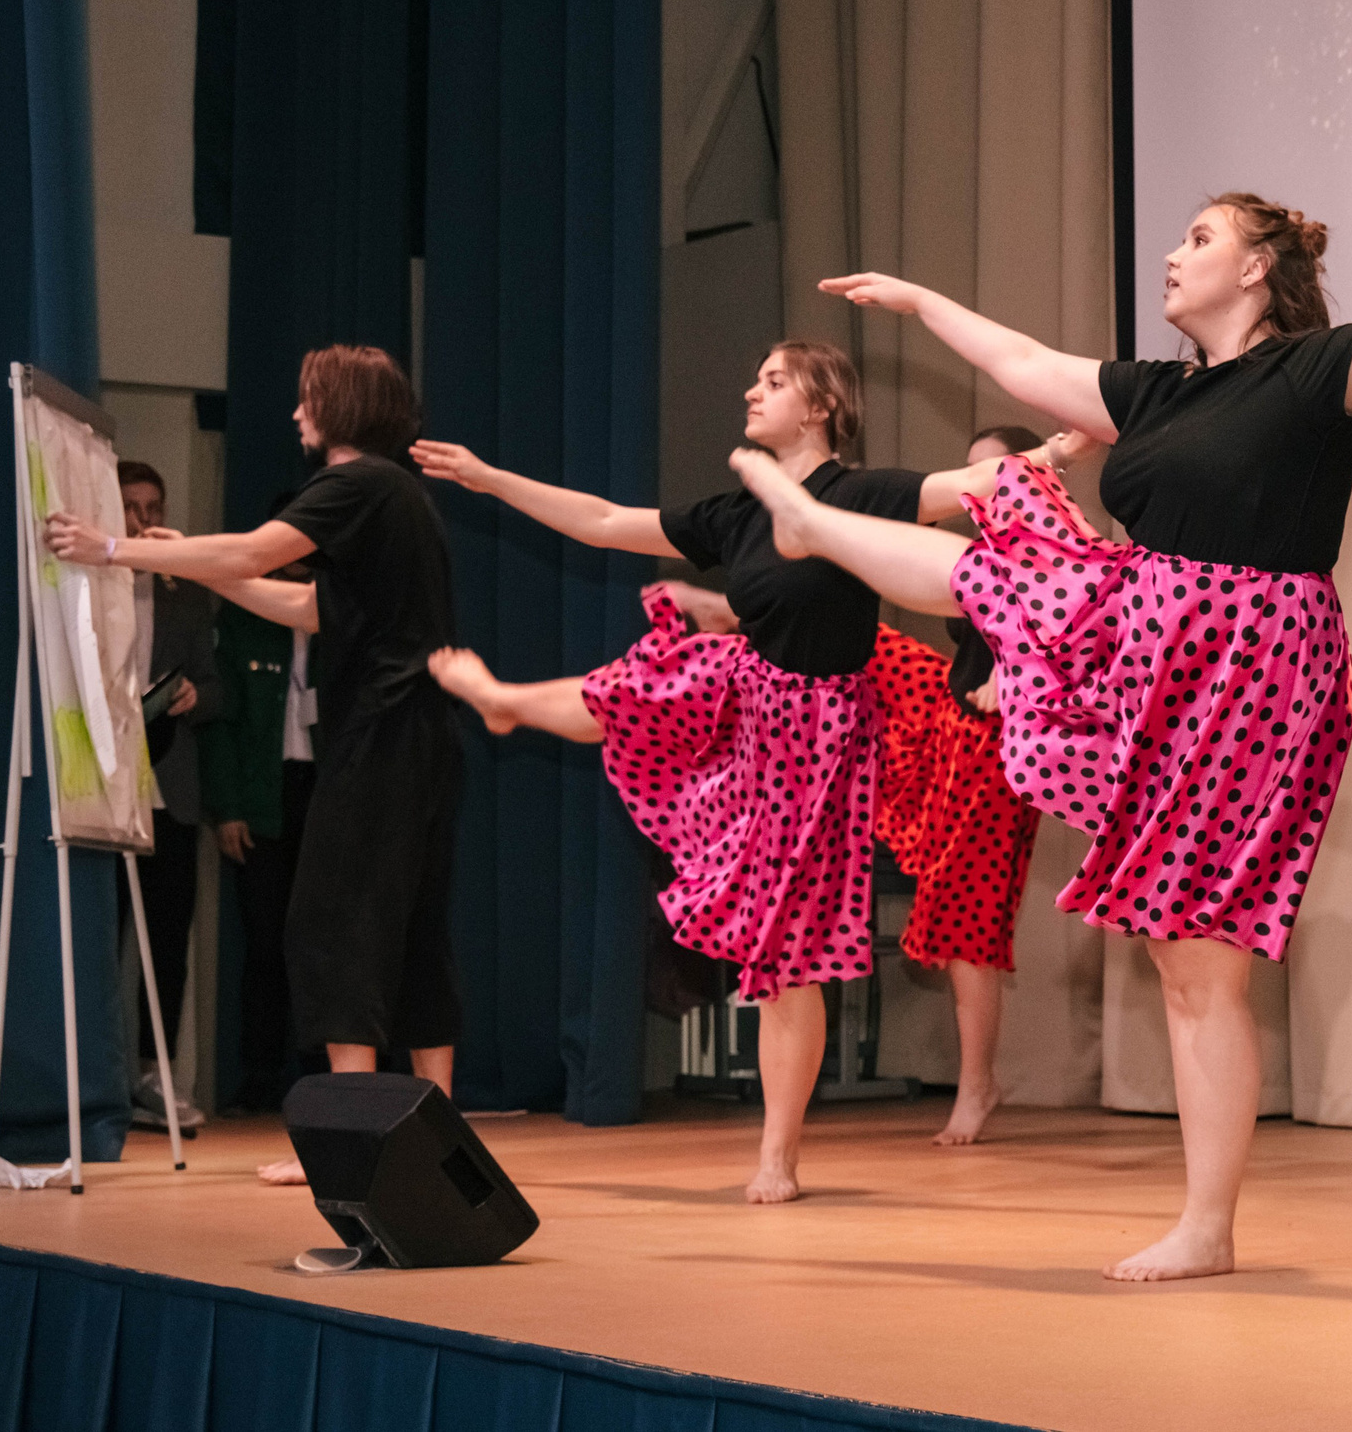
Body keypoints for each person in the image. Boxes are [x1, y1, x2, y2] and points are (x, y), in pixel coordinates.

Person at [724, 95, 1352, 1280]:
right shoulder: (1161, 395)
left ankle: (1208, 1226)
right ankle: (815, 523)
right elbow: (1023, 362)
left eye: (1197, 237)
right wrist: (921, 303)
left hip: (1252, 659)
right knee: (1001, 567)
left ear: (1258, 265)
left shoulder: (1313, 372)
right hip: (1145, 628)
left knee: (1199, 953)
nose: (1172, 255)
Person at [414, 341, 1079, 1205]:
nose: (749, 391)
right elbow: (609, 521)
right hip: (747, 709)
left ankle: (778, 1154)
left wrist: (1059, 450)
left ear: (820, 406)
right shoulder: (737, 512)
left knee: (784, 961)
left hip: (821, 741)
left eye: (771, 381)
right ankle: (508, 703)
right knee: (644, 685)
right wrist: (492, 479)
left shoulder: (860, 494)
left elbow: (974, 484)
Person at [47, 345, 465, 1187]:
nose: (296, 415)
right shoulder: (392, 495)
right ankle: (439, 1133)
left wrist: (116, 550)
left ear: (337, 407)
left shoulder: (353, 484)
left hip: (379, 743)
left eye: (307, 399)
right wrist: (194, 559)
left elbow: (250, 555)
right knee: (412, 933)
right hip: (420, 742)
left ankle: (358, 1140)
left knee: (335, 928)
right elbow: (313, 606)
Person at [873, 425, 1065, 1147]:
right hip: (954, 727)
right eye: (972, 475)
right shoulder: (976, 556)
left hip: (1004, 748)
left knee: (963, 922)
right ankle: (737, 628)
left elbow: (1077, 649)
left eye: (995, 475)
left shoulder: (1052, 559)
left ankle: (977, 1083)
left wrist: (1013, 682)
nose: (979, 489)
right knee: (851, 650)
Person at [196, 490, 322, 1112]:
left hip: (324, 796)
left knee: (323, 939)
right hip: (264, 793)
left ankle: (323, 1069)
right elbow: (221, 724)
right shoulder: (245, 615)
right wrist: (227, 808)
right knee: (265, 939)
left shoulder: (340, 608)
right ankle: (261, 1072)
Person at [115, 460, 226, 1135]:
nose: (144, 521)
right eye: (131, 507)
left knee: (165, 940)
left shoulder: (184, 592)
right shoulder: (85, 583)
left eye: (153, 507)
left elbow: (217, 688)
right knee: (101, 939)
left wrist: (191, 697)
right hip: (100, 790)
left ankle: (156, 1074)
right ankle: (99, 1073)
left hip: (171, 791)